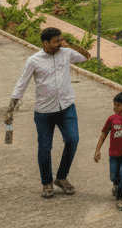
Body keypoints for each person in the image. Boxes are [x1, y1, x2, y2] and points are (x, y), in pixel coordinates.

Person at [6, 26, 92, 198]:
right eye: (55, 41)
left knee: (73, 140)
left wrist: (70, 43)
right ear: (45, 43)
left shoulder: (66, 53)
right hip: (44, 112)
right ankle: (46, 182)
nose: (59, 44)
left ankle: (61, 177)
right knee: (45, 148)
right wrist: (10, 110)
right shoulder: (33, 60)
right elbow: (21, 85)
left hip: (67, 108)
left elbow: (86, 56)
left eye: (60, 40)